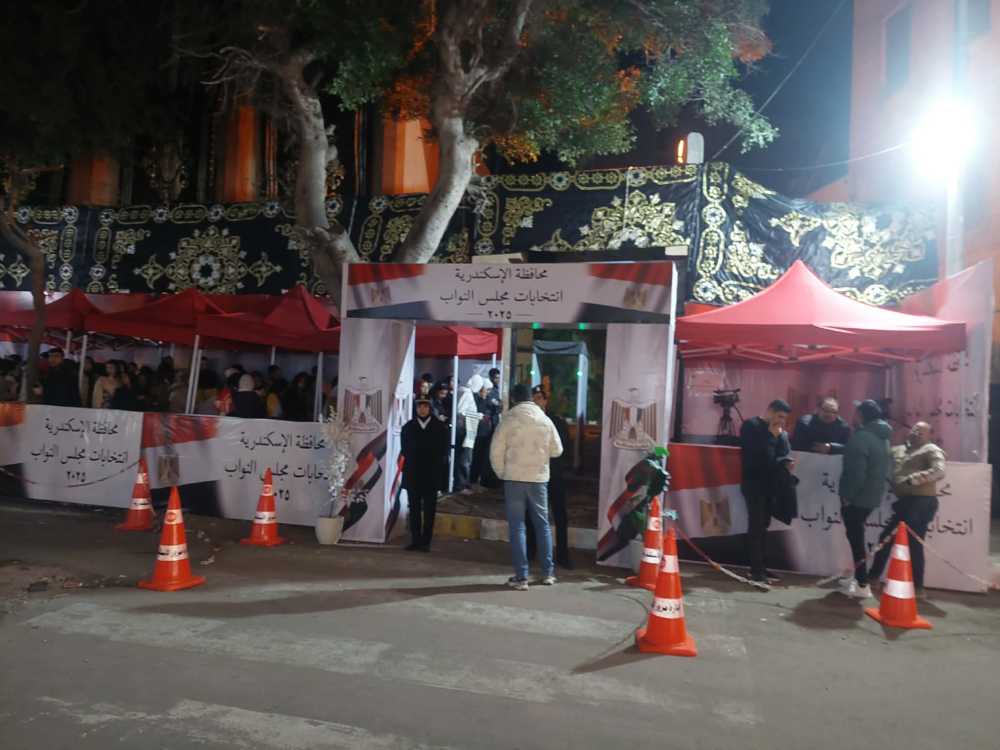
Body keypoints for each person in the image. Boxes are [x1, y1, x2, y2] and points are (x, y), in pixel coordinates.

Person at [490, 382, 564, 590]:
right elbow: (557, 450)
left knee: (517, 527)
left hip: (514, 478)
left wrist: (502, 473)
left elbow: (495, 451)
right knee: (543, 526)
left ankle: (521, 577)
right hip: (538, 479)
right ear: (531, 398)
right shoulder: (545, 419)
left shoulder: (508, 419)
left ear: (514, 398)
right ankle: (548, 573)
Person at [867, 422, 944, 597]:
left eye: (921, 432)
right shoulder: (899, 450)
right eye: (914, 430)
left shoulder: (931, 449)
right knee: (890, 540)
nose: (916, 433)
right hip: (905, 502)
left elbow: (939, 471)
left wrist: (913, 479)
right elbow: (878, 454)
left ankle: (878, 579)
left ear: (930, 435)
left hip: (922, 502)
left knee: (904, 542)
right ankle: (876, 579)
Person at [838, 399, 892, 599]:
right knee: (856, 537)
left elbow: (856, 474)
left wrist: (847, 497)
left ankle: (862, 583)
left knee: (856, 540)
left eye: (856, 412)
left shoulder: (861, 438)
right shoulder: (883, 437)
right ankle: (858, 578)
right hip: (872, 496)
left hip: (857, 498)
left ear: (861, 415)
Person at [739, 399, 792, 586]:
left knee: (764, 526)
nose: (781, 421)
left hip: (771, 485)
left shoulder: (780, 433)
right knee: (756, 526)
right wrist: (771, 437)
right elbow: (758, 457)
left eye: (784, 418)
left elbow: (784, 454)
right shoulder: (751, 426)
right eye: (779, 416)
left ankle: (761, 565)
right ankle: (756, 570)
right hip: (754, 484)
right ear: (770, 411)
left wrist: (785, 460)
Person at [525, 384, 573, 569]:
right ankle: (531, 551)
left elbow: (564, 447)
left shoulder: (556, 422)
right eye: (534, 398)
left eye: (540, 398)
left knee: (560, 515)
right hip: (535, 475)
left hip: (554, 474)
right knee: (531, 514)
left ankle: (562, 555)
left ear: (546, 401)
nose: (537, 401)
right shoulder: (526, 422)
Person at [400, 396, 450, 551]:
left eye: (425, 407)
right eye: (419, 407)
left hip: (431, 474)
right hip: (413, 473)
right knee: (414, 508)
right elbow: (404, 450)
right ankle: (415, 540)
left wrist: (441, 477)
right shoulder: (408, 427)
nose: (422, 410)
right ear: (416, 409)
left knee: (429, 510)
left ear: (430, 409)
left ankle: (426, 542)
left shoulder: (440, 427)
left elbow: (444, 452)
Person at [453, 375, 482, 493]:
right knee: (464, 458)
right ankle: (461, 484)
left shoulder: (464, 392)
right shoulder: (467, 394)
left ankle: (463, 483)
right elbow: (460, 412)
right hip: (465, 429)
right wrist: (477, 415)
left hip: (467, 428)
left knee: (464, 458)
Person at [469, 376, 494, 487]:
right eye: (486, 390)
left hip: (485, 434)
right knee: (474, 458)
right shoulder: (475, 399)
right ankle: (471, 480)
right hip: (475, 433)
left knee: (481, 458)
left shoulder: (488, 400)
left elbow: (493, 411)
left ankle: (476, 479)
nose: (487, 392)